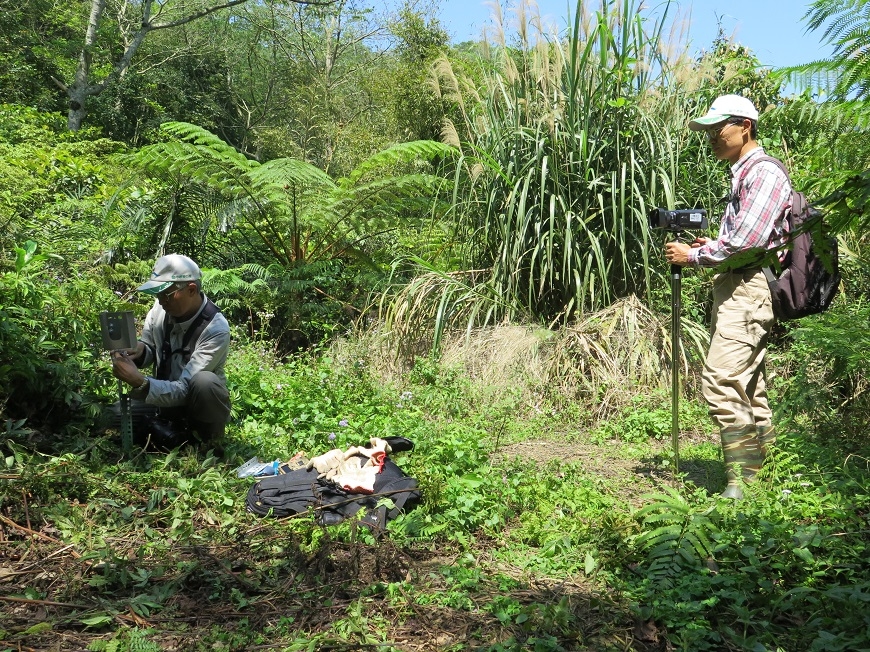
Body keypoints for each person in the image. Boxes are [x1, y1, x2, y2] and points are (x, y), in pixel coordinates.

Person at [665, 95, 790, 499]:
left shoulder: (763, 172)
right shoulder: (743, 173)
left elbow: (751, 239)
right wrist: (716, 244)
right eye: (708, 132)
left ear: (745, 126)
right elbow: (747, 238)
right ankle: (771, 469)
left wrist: (695, 254)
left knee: (720, 380)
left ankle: (744, 480)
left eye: (718, 129)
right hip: (738, 283)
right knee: (749, 384)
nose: (712, 138)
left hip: (750, 286)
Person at [111, 254, 231, 447]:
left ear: (191, 289)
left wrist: (139, 382)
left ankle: (209, 444)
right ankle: (167, 433)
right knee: (113, 416)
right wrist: (139, 351)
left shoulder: (215, 328)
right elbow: (150, 346)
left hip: (194, 404)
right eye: (157, 295)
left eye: (165, 295)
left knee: (205, 382)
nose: (160, 302)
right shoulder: (162, 310)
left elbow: (184, 389)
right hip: (161, 400)